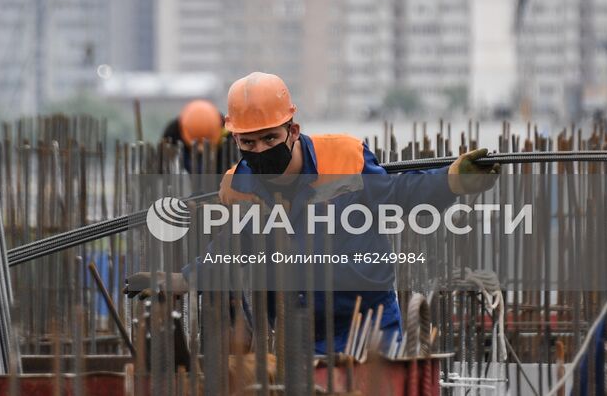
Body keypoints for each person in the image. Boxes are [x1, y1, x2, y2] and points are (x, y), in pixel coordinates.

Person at [211, 71, 498, 354]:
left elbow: (397, 195)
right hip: (296, 337)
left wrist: (449, 181)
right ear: (235, 139)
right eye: (248, 142)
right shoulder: (238, 187)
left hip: (370, 327)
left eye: (270, 139)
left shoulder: (345, 157)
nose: (260, 150)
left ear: (293, 131)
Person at [160, 99, 228, 173]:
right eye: (198, 142)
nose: (201, 149)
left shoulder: (226, 128)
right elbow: (161, 163)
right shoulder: (173, 131)